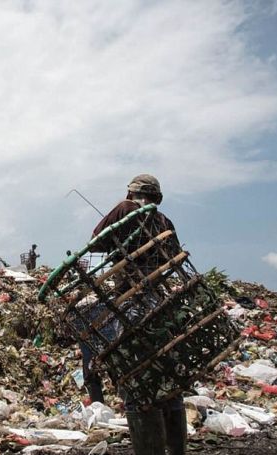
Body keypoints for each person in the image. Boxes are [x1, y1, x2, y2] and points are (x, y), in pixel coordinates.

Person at [81, 174, 186, 455]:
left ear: (132, 192)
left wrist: (119, 243)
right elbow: (171, 255)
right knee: (169, 381)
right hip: (160, 303)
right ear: (156, 197)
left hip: (131, 303)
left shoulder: (124, 209)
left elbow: (96, 242)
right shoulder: (164, 221)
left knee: (136, 381)